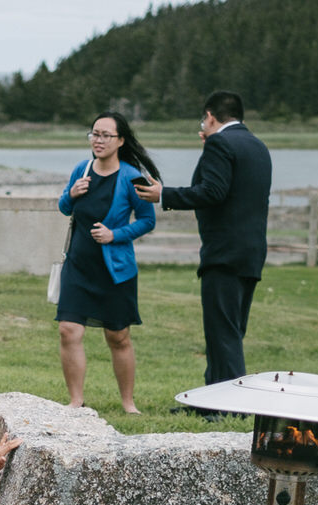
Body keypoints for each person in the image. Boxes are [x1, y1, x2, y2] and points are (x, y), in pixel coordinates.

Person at [136, 90, 272, 402]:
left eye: (204, 119)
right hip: (250, 252)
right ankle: (212, 399)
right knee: (231, 329)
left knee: (222, 333)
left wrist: (164, 194)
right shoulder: (257, 145)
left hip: (224, 252)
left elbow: (212, 192)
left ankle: (229, 405)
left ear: (210, 116)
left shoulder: (220, 144)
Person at [55, 112, 158, 414]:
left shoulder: (131, 177)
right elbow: (63, 207)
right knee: (68, 330)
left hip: (115, 269)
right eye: (94, 134)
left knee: (118, 336)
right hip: (78, 263)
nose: (97, 140)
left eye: (105, 135)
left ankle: (128, 403)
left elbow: (147, 221)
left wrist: (116, 234)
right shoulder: (81, 169)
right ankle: (76, 401)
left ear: (121, 141)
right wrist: (71, 194)